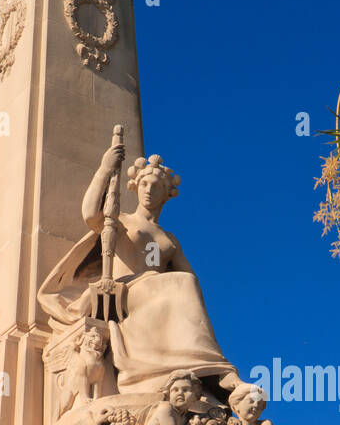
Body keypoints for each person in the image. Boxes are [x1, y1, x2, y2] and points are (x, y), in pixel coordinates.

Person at [38, 142, 240, 395]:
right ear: (135, 187)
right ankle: (209, 367)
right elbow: (90, 215)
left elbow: (190, 278)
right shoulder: (120, 220)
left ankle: (206, 365)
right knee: (179, 284)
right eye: (144, 184)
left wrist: (162, 276)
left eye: (156, 186)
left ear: (167, 194)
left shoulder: (169, 239)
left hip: (157, 293)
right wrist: (104, 169)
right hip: (125, 291)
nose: (149, 190)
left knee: (185, 283)